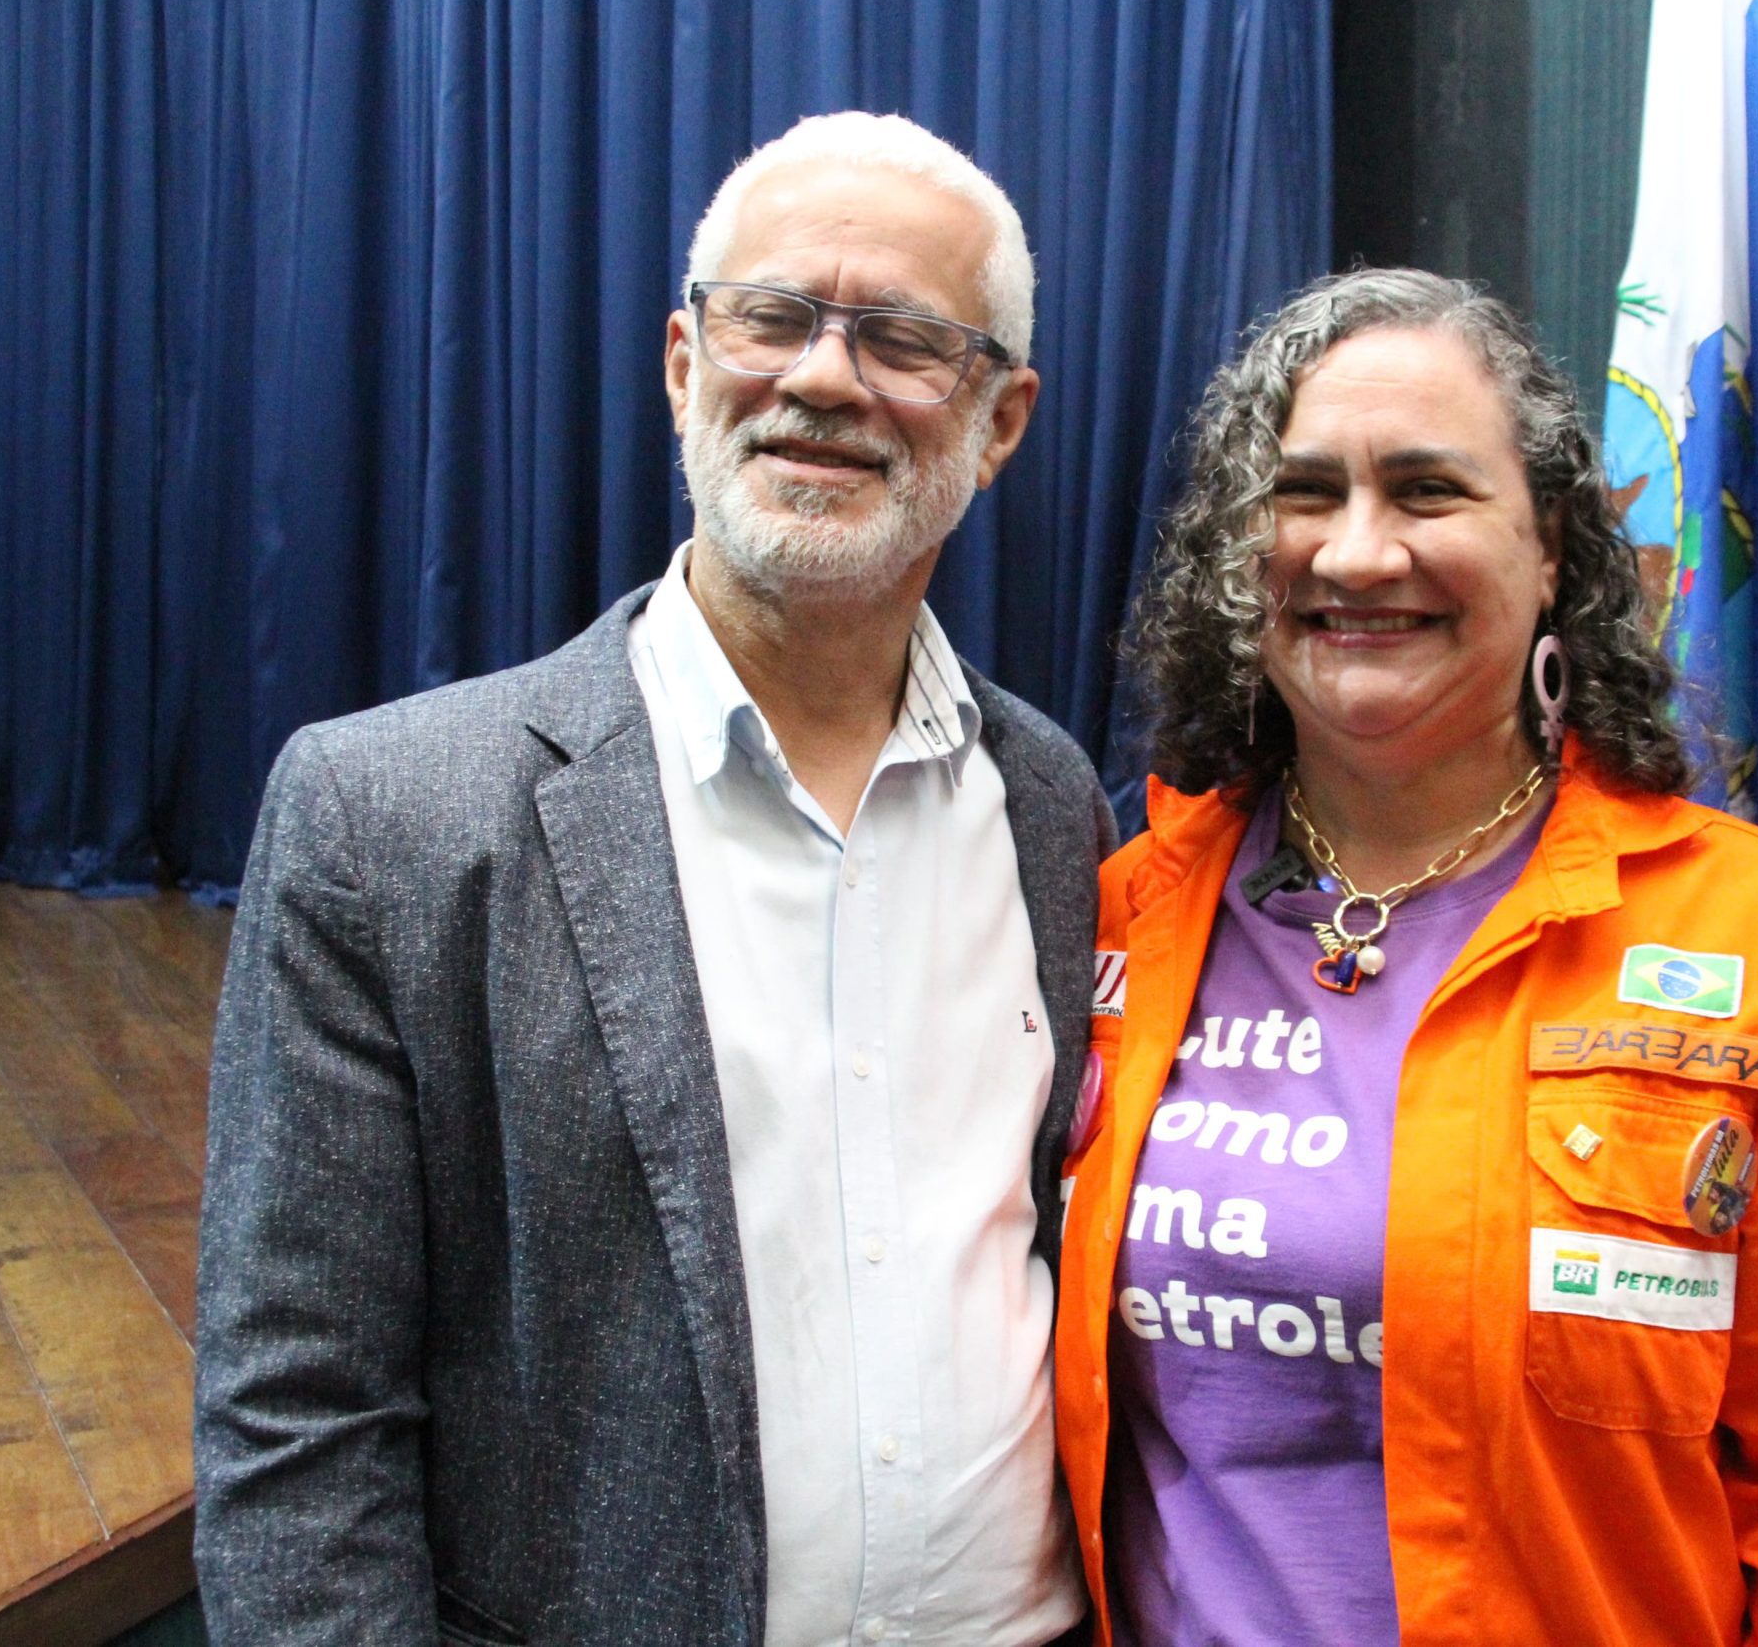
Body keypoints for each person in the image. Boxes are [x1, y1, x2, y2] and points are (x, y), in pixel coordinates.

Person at [194, 112, 1111, 1647]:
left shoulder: (1053, 804)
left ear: (1000, 417)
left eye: (900, 338)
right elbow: (300, 1421)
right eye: (773, 318)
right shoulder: (385, 819)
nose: (825, 377)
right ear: (686, 365)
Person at [1054, 268, 1758, 1646]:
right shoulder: (1117, 912)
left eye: (1428, 490)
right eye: (1304, 493)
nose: (1358, 552)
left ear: (1552, 547)